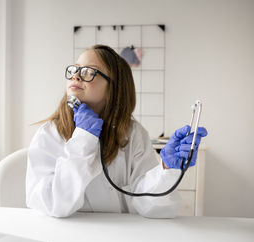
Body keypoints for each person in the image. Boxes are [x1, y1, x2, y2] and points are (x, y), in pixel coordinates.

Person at [25, 44, 208, 218]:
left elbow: (150, 207)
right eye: (75, 69)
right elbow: (51, 205)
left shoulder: (133, 134)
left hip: (122, 237)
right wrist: (83, 139)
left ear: (114, 88)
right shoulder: (49, 134)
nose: (77, 76)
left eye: (89, 72)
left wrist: (166, 170)